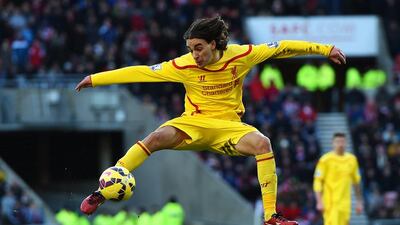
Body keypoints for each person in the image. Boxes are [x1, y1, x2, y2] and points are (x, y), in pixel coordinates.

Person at [76, 16, 346, 225]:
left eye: (198, 48)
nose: (194, 54)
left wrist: (325, 49)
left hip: (228, 128)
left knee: (263, 144)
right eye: (191, 49)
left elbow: (282, 48)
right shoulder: (183, 65)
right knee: (156, 137)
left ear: (214, 44)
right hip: (192, 123)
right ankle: (105, 188)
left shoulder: (241, 56)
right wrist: (96, 79)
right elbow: (143, 72)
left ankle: (271, 217)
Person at [313, 133, 363, 225]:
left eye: (342, 141)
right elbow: (317, 181)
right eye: (338, 141)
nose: (340, 144)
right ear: (332, 143)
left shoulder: (352, 160)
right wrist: (319, 201)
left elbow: (356, 182)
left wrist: (359, 201)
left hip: (345, 204)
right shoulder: (325, 160)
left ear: (346, 143)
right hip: (330, 203)